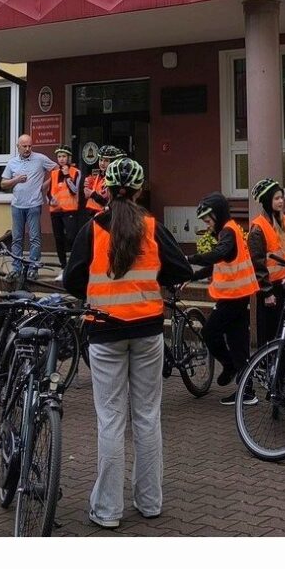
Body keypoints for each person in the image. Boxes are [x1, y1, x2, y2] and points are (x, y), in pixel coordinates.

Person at [62, 157, 192, 530]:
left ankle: (107, 510)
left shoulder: (92, 229)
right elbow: (180, 269)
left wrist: (97, 293)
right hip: (148, 331)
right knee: (147, 417)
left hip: (104, 333)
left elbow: (72, 280)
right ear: (138, 190)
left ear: (105, 189)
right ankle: (150, 502)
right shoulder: (152, 227)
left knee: (111, 419)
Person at [187, 192, 259, 405]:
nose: (207, 224)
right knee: (239, 344)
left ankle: (229, 366)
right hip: (239, 295)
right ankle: (247, 391)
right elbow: (219, 263)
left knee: (210, 333)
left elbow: (219, 255)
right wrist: (193, 276)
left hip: (233, 297)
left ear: (217, 214)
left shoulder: (227, 232)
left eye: (208, 220)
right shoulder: (232, 229)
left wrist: (190, 259)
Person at [0, 135, 57, 281]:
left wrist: (45, 185)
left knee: (34, 238)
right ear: (18, 147)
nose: (27, 149)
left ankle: (33, 268)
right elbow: (3, 184)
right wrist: (16, 179)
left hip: (34, 205)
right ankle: (16, 269)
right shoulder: (12, 162)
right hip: (17, 205)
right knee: (17, 238)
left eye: (30, 146)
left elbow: (57, 170)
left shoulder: (40, 159)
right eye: (24, 146)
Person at [247, 177, 285, 349]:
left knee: (284, 333)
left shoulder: (283, 221)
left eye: (282, 197)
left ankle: (283, 364)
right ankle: (266, 363)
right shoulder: (258, 228)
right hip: (270, 288)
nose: (281, 201)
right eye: (276, 198)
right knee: (268, 334)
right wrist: (267, 292)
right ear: (267, 200)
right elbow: (257, 263)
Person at [47, 146, 82, 278]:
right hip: (55, 211)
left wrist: (67, 175)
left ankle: (74, 265)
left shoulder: (76, 172)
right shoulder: (54, 173)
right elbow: (49, 192)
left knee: (72, 237)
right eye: (59, 157)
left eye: (64, 156)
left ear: (69, 158)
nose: (61, 159)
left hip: (70, 210)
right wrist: (51, 200)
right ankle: (63, 266)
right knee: (58, 238)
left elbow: (74, 190)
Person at [81, 145, 119, 215]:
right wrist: (88, 188)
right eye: (101, 160)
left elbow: (111, 203)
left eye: (106, 161)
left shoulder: (114, 179)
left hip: (105, 215)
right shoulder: (99, 176)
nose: (102, 163)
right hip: (93, 213)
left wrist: (92, 194)